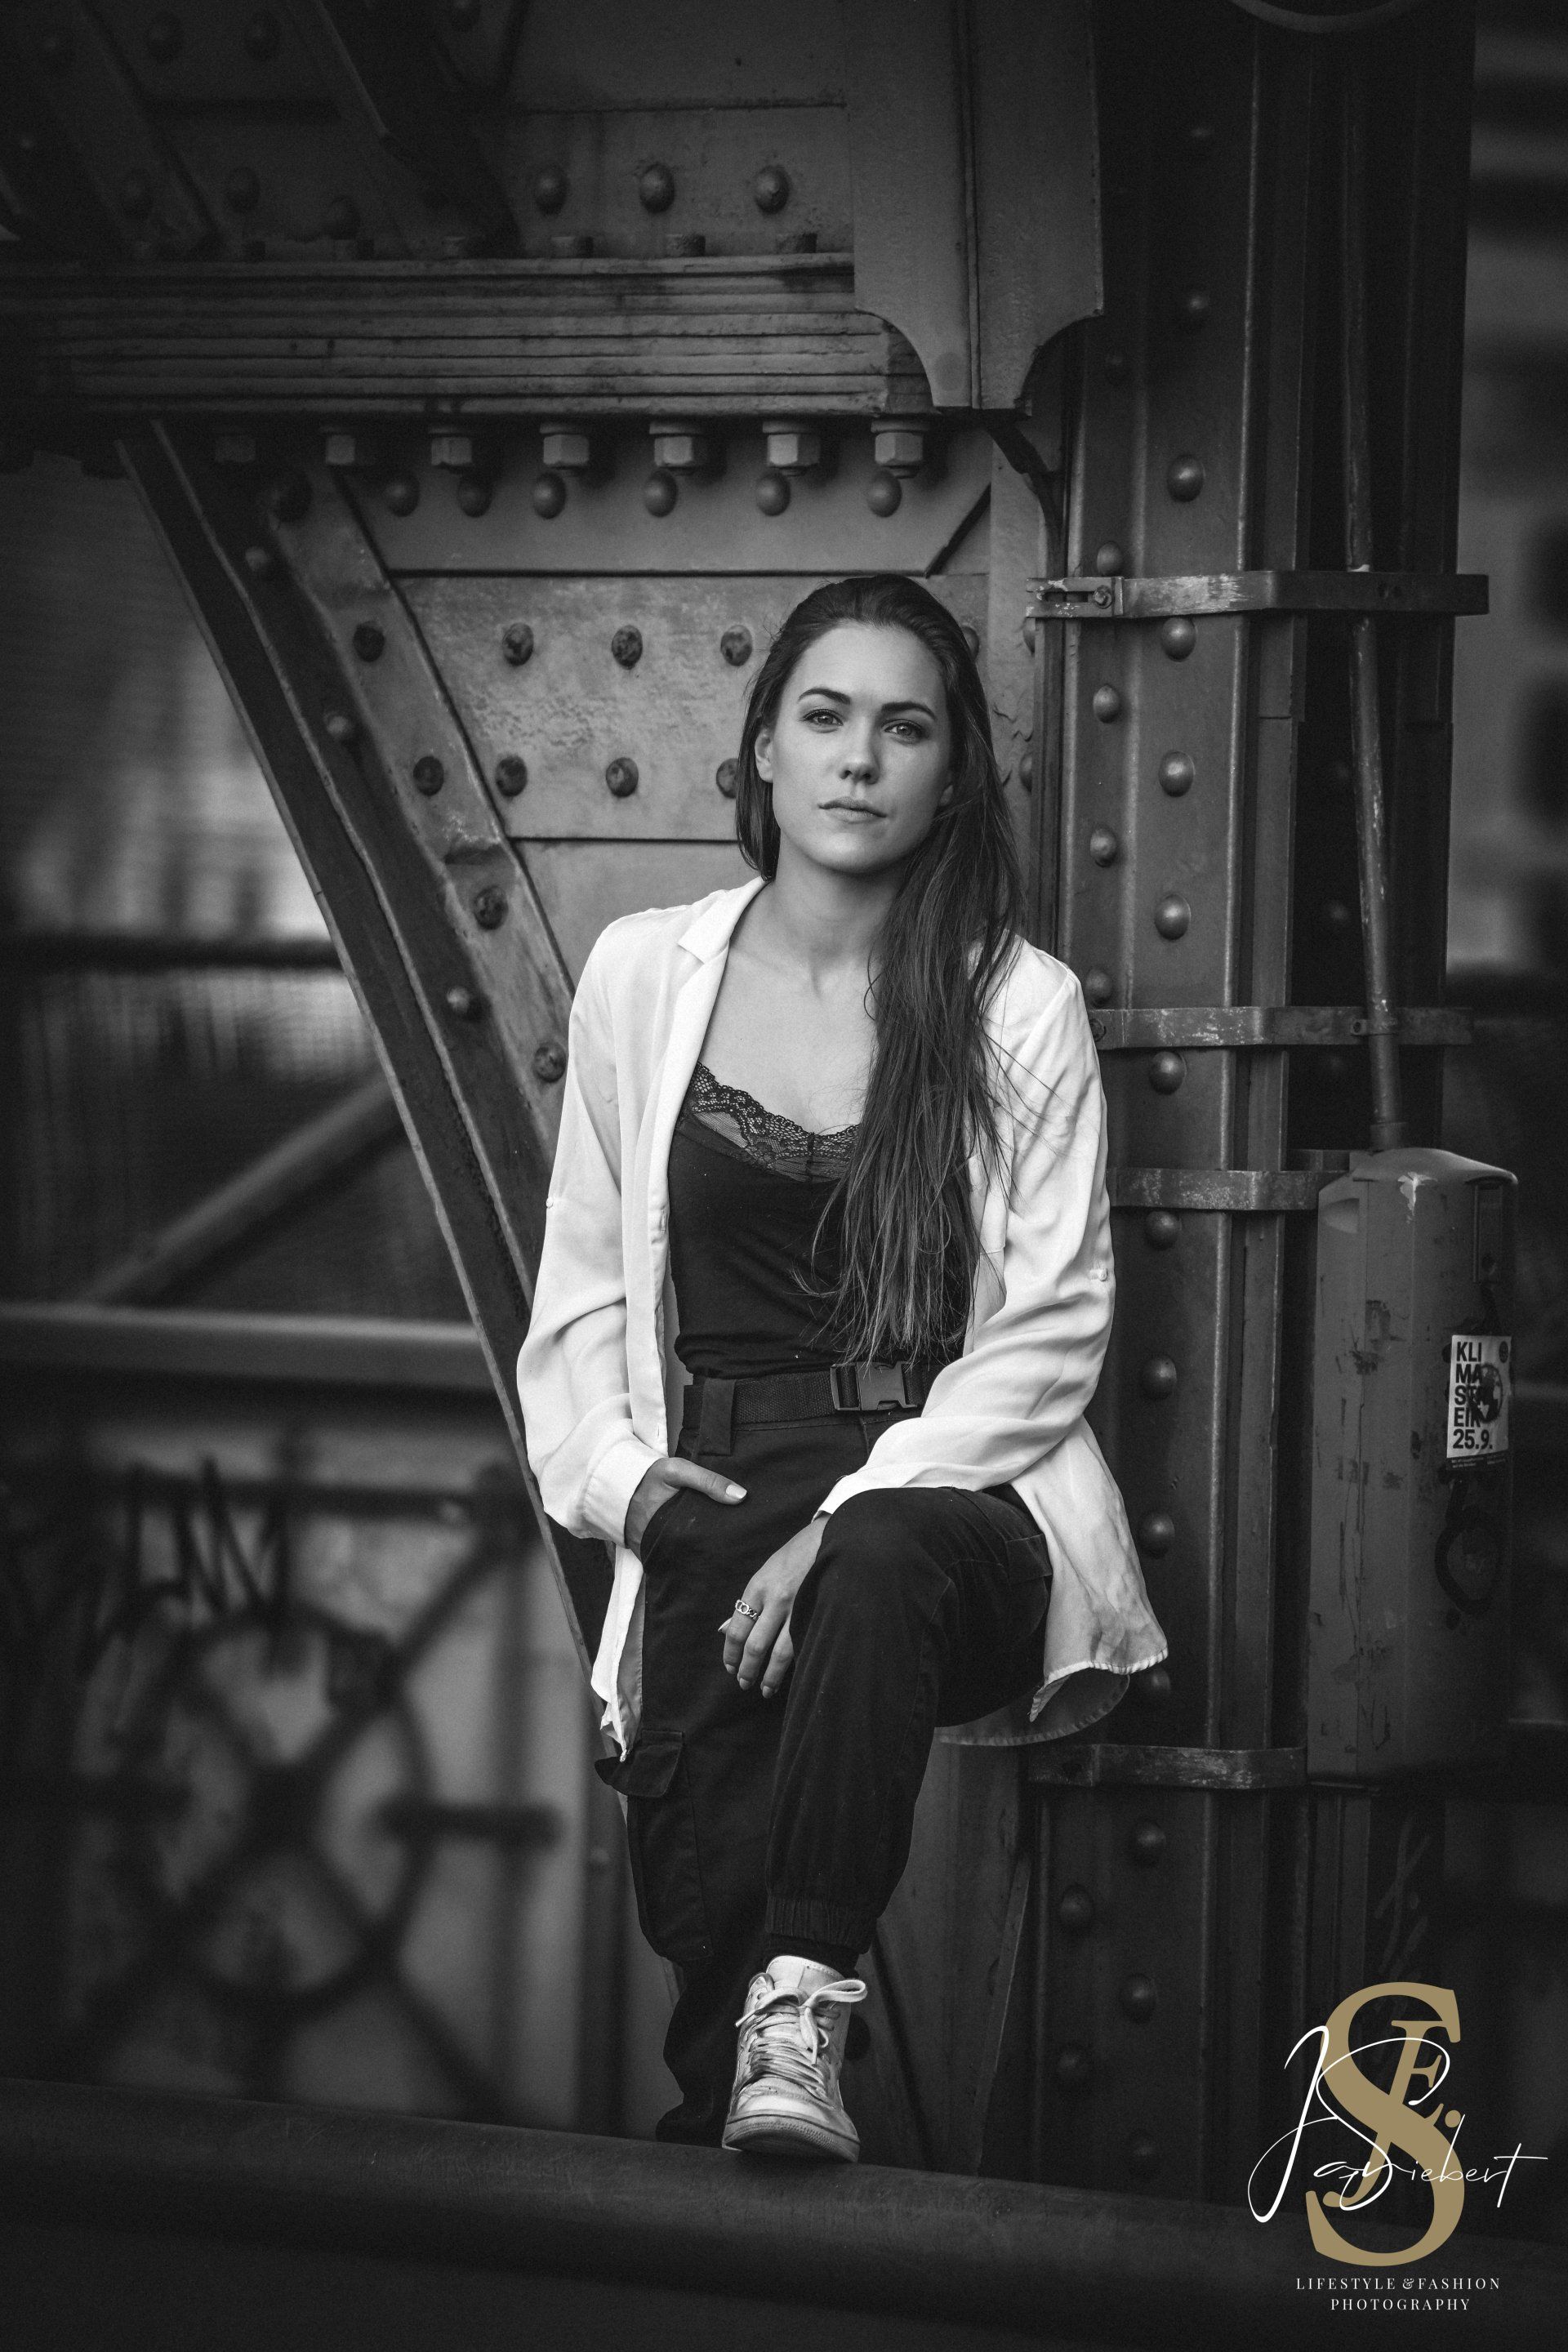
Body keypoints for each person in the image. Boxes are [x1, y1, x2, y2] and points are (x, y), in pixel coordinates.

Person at [517, 573, 1166, 2163]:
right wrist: (631, 1493)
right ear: (765, 749)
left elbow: (1054, 1324)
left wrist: (844, 1514)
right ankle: (738, 2150)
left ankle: (804, 1999)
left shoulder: (1014, 1003)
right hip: (717, 1494)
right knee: (705, 2016)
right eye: (825, 717)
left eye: (904, 727)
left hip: (950, 1501)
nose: (860, 757)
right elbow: (584, 1281)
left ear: (950, 773)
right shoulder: (644, 975)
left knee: (870, 1558)